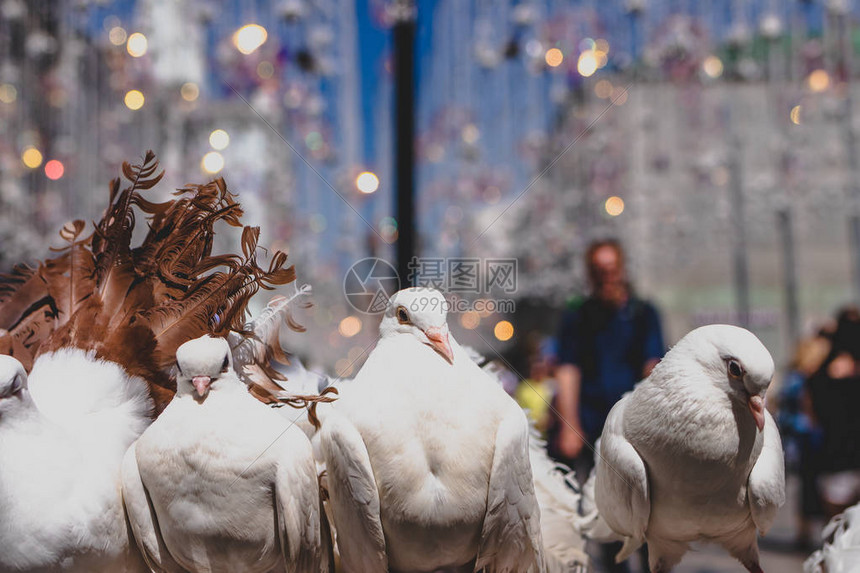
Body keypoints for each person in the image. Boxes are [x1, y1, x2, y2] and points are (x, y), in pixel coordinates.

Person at [551, 239, 664, 573]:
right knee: (608, 518)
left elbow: (652, 362)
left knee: (649, 512)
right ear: (590, 274)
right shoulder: (578, 314)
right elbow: (568, 368)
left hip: (637, 425)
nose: (607, 277)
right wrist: (569, 423)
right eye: (599, 272)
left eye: (611, 269)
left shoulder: (644, 312)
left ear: (621, 268)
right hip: (594, 425)